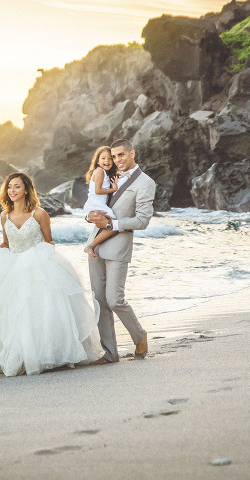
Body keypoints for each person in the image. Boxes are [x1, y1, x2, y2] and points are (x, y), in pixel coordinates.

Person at [0, 172, 103, 376]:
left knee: (38, 312)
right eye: (9, 187)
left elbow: (49, 242)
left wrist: (45, 261)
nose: (12, 191)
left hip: (36, 265)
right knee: (9, 313)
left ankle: (46, 355)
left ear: (26, 189)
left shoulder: (39, 214)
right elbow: (7, 243)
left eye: (17, 186)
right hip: (11, 264)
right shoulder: (4, 215)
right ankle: (16, 356)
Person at [86, 139, 156, 363]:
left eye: (121, 155)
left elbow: (142, 220)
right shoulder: (109, 174)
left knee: (115, 299)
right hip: (95, 243)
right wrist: (89, 216)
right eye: (114, 156)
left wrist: (112, 225)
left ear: (132, 153)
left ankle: (139, 334)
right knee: (99, 300)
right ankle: (109, 353)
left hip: (118, 245)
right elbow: (94, 200)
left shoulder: (146, 183)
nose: (117, 160)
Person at [83, 146, 120, 259]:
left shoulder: (105, 173)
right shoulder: (99, 171)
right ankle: (91, 246)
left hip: (98, 204)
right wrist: (113, 189)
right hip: (96, 204)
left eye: (110, 158)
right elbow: (98, 190)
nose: (106, 161)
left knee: (112, 225)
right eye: (103, 158)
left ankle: (94, 245)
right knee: (115, 226)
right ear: (98, 161)